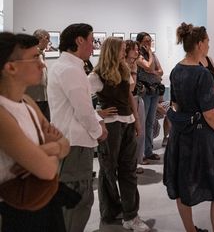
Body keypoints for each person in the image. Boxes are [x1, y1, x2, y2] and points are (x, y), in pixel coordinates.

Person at [164, 23, 214, 232]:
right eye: (208, 41)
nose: (210, 44)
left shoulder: (176, 70)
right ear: (200, 44)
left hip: (181, 136)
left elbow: (175, 104)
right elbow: (210, 114)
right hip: (203, 137)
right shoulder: (203, 74)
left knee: (183, 185)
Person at [0, 32, 71, 232]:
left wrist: (45, 149)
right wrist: (56, 148)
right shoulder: (3, 114)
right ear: (11, 67)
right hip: (16, 211)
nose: (42, 64)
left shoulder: (27, 102)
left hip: (43, 202)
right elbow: (48, 170)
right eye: (34, 58)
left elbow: (66, 145)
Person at [47, 23, 109, 232]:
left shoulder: (70, 67)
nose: (93, 46)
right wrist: (99, 131)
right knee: (77, 200)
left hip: (73, 141)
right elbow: (83, 110)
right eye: (91, 41)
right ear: (79, 41)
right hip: (74, 144)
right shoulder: (69, 69)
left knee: (76, 198)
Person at [88, 37, 149, 231]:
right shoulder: (96, 75)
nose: (125, 52)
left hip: (127, 123)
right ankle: (110, 211)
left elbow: (129, 96)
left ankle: (131, 214)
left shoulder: (124, 70)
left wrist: (137, 121)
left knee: (128, 170)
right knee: (108, 170)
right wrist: (98, 113)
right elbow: (80, 99)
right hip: (110, 127)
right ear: (113, 51)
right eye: (122, 49)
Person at [135, 32, 164, 162]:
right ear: (140, 42)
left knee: (150, 122)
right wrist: (152, 67)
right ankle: (140, 154)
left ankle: (149, 151)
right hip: (144, 93)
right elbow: (148, 67)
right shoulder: (137, 56)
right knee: (142, 122)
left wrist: (152, 69)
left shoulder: (153, 55)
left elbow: (161, 71)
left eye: (150, 40)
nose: (149, 43)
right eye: (146, 41)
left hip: (154, 91)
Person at [125, 40, 147, 172]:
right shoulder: (123, 66)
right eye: (135, 49)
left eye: (138, 49)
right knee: (130, 135)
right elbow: (131, 86)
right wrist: (133, 71)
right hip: (128, 101)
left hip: (137, 99)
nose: (137, 52)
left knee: (139, 133)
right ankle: (130, 164)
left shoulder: (133, 65)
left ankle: (136, 162)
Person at [25, 29, 51, 121]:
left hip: (43, 97)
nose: (48, 41)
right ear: (41, 39)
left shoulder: (41, 53)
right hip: (34, 98)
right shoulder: (30, 54)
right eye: (47, 39)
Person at [199, 55, 214, 122]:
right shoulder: (195, 62)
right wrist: (212, 87)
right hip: (206, 98)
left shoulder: (208, 58)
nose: (208, 46)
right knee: (210, 121)